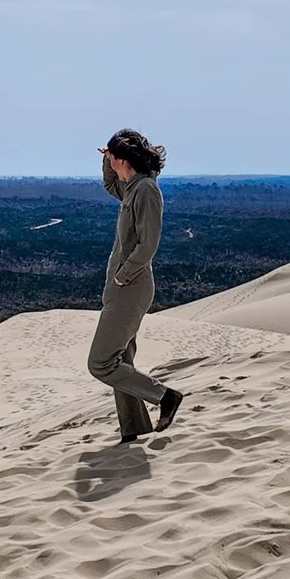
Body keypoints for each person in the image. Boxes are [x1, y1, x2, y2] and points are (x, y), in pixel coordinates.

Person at [88, 129, 185, 441]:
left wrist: (123, 275)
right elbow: (110, 184)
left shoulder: (146, 191)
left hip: (131, 287)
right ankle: (134, 430)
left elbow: (148, 244)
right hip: (120, 287)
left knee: (101, 363)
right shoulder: (131, 188)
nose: (111, 162)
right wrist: (106, 161)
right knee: (121, 360)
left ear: (124, 159)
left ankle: (164, 396)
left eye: (113, 157)